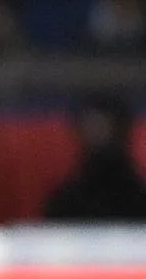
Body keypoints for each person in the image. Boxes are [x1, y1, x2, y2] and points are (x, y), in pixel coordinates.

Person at [43, 93, 146, 222]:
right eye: (91, 127)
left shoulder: (139, 199)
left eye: (103, 127)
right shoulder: (66, 201)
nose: (96, 134)